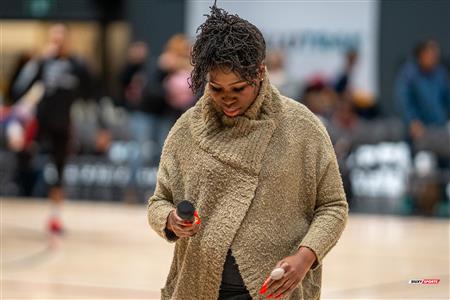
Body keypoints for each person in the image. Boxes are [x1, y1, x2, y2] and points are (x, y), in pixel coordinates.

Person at [147, 4, 348, 300]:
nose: (227, 99)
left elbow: (333, 207)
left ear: (260, 73)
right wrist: (170, 219)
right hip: (197, 287)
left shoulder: (302, 126)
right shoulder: (186, 129)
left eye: (238, 89)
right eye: (216, 89)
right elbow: (158, 202)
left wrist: (305, 258)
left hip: (275, 291)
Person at [11, 23, 95, 234]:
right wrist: (37, 61)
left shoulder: (77, 64)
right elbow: (19, 89)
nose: (57, 43)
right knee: (23, 157)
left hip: (63, 124)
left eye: (61, 39)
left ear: (67, 41)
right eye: (54, 39)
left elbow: (92, 90)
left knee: (59, 170)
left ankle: (55, 217)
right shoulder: (43, 62)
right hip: (41, 123)